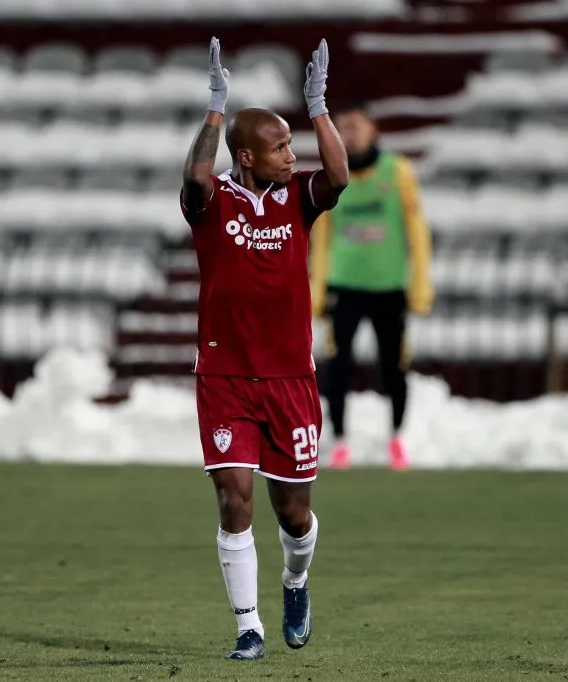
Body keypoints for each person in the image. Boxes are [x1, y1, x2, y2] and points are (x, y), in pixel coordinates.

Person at [180, 37, 349, 661]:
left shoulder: (296, 199)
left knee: (295, 513)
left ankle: (296, 581)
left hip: (289, 379)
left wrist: (317, 105)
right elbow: (195, 177)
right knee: (233, 498)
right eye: (280, 146)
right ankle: (248, 627)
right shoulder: (214, 201)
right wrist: (216, 110)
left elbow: (339, 176)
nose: (291, 153)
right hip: (224, 376)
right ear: (246, 156)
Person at [308, 100, 434, 471]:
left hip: (388, 287)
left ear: (372, 129)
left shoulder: (397, 172)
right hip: (343, 286)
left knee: (394, 364)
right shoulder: (333, 175)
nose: (350, 133)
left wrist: (420, 282)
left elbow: (417, 230)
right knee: (338, 366)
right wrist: (317, 289)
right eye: (343, 126)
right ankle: (341, 440)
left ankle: (396, 437)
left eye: (356, 125)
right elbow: (322, 238)